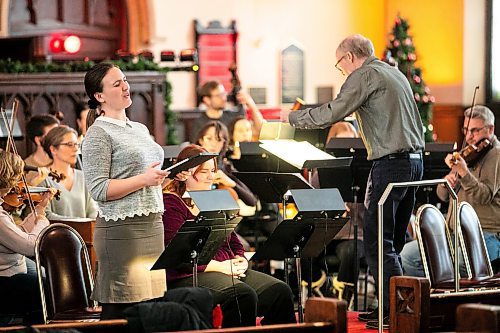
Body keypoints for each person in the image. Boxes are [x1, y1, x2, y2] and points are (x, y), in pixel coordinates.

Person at [281, 34, 424, 328]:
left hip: (391, 164)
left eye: (339, 65)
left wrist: (293, 118)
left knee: (376, 242)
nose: (342, 70)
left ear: (348, 58)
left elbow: (334, 111)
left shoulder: (363, 74)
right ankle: (390, 306)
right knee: (394, 240)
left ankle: (394, 311)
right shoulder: (393, 72)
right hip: (414, 163)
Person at [162, 144, 295, 327]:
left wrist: (241, 259)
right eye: (204, 172)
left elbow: (233, 241)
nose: (211, 176)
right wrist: (222, 267)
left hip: (226, 268)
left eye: (213, 170)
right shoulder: (171, 202)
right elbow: (179, 255)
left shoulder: (215, 199)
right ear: (186, 173)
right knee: (242, 294)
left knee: (281, 291)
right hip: (188, 274)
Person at [82, 62, 171, 319]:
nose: (125, 86)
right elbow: (99, 189)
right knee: (124, 309)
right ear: (99, 96)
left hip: (151, 225)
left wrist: (166, 178)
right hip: (123, 231)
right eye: (116, 83)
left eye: (124, 80)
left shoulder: (139, 128)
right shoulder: (98, 134)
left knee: (151, 309)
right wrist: (145, 179)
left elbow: (144, 181)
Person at [401, 105, 500, 276]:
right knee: (406, 257)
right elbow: (442, 196)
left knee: (462, 265)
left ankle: (452, 301)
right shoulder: (466, 154)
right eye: (466, 130)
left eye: (475, 131)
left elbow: (484, 196)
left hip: (485, 234)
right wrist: (445, 184)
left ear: (490, 129)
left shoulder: (497, 155)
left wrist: (464, 172)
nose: (469, 137)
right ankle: (433, 301)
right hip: (453, 233)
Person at [0, 149, 55, 324]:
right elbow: (31, 246)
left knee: (48, 280)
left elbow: (17, 236)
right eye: (17, 177)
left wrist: (39, 210)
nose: (19, 182)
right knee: (52, 288)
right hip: (6, 279)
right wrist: (42, 223)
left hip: (13, 269)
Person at [40, 125, 97, 220]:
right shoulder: (42, 179)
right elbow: (45, 215)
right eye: (70, 145)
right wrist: (79, 223)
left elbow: (92, 211)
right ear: (53, 149)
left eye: (77, 144)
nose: (75, 149)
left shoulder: (83, 177)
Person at [190, 80, 264, 143]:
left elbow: (260, 130)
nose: (224, 98)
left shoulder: (234, 116)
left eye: (224, 94)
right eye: (219, 95)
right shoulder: (199, 123)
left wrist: (251, 104)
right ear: (207, 100)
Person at [24, 114, 60, 186]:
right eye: (52, 135)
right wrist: (32, 185)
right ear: (38, 140)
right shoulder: (25, 168)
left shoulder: (62, 161)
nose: (58, 139)